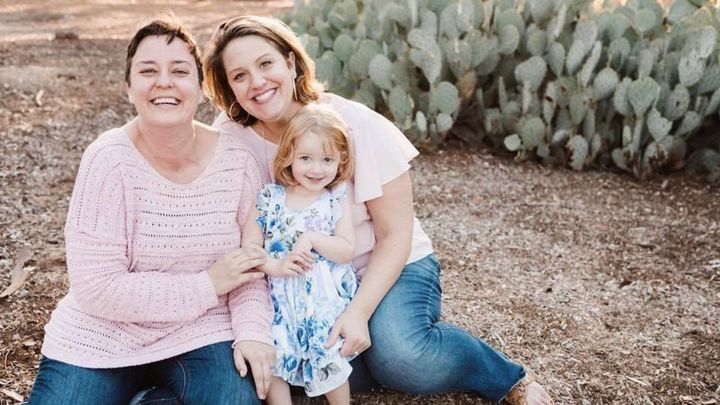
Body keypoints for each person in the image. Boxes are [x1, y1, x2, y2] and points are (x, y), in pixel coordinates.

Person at [203, 15, 554, 405]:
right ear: (229, 88)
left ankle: (505, 378)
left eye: (265, 63)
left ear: (290, 62)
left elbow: (394, 235)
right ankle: (353, 357)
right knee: (272, 363)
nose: (256, 82)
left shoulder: (354, 124)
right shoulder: (230, 138)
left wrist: (357, 312)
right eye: (239, 76)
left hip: (381, 263)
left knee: (402, 357)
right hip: (292, 278)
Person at [26, 18, 276, 405]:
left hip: (202, 330)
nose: (164, 82)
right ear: (129, 87)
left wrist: (253, 332)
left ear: (201, 87)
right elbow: (97, 288)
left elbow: (251, 268)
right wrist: (207, 284)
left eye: (179, 71)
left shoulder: (237, 160)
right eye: (148, 71)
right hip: (103, 335)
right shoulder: (107, 160)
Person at [242, 103, 358, 405]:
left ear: (341, 160)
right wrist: (276, 266)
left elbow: (346, 249)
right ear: (289, 155)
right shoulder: (270, 198)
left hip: (320, 302)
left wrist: (312, 239)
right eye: (306, 158)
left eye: (327, 159)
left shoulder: (334, 199)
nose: (316, 169)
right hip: (278, 299)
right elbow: (250, 247)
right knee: (275, 359)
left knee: (327, 357)